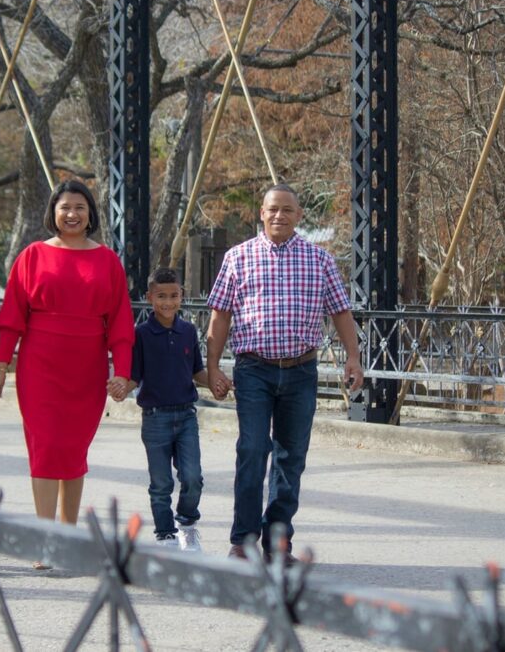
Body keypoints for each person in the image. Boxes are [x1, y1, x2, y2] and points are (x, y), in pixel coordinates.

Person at [205, 183, 364, 563]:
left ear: (299, 216)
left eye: (287, 210)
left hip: (300, 371)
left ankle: (277, 544)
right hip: (254, 369)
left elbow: (341, 312)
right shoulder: (237, 258)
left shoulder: (320, 260)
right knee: (252, 449)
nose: (279, 216)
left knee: (291, 458)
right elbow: (220, 316)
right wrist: (212, 367)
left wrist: (353, 358)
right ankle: (243, 541)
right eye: (272, 209)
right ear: (260, 213)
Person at [0, 180, 134, 568]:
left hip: (87, 366)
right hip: (41, 366)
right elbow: (12, 319)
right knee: (45, 448)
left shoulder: (108, 261)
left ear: (91, 215)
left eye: (80, 207)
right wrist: (0, 368)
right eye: (65, 206)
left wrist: (123, 372)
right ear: (53, 212)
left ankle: (68, 539)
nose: (72, 214)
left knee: (73, 450)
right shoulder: (31, 256)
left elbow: (119, 323)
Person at [123, 267, 208, 551]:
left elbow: (198, 372)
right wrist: (122, 387)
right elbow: (134, 376)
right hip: (155, 418)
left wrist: (219, 382)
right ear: (149, 298)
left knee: (193, 476)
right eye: (161, 296)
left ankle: (186, 523)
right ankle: (165, 533)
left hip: (186, 415)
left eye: (173, 296)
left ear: (182, 296)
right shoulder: (142, 334)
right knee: (160, 483)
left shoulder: (188, 331)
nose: (168, 302)